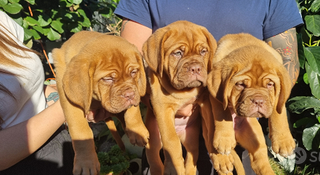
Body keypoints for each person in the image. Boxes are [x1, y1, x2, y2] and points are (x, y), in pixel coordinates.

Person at [114, 0, 304, 174]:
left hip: (239, 123)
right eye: (178, 53)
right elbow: (130, 62)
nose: (196, 65)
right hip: (167, 131)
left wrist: (270, 115)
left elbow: (286, 63)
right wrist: (171, 99)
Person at [0, 9, 109, 175]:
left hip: (57, 140)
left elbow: (30, 89)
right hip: (17, 166)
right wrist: (70, 105)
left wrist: (65, 104)